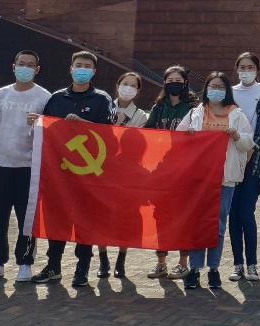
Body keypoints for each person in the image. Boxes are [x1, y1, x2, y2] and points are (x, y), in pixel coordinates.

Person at [31, 51, 114, 288]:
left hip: (88, 173)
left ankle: (82, 269)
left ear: (94, 72)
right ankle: (53, 266)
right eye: (78, 65)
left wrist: (84, 125)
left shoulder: (102, 99)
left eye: (87, 66)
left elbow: (111, 135)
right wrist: (36, 122)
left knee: (85, 220)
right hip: (59, 171)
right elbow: (46, 131)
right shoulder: (56, 98)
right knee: (57, 217)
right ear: (71, 68)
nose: (82, 69)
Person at [0, 50, 51, 283]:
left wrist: (39, 122)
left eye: (30, 65)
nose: (25, 68)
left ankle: (25, 262)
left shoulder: (44, 97)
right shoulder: (2, 94)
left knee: (26, 217)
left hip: (28, 166)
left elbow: (51, 130)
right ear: (13, 66)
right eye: (21, 64)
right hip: (0, 163)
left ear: (37, 70)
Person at [182, 71, 253, 290]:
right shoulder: (195, 113)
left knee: (218, 224)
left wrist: (236, 136)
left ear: (227, 91)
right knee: (197, 224)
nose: (216, 91)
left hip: (224, 178)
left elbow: (248, 144)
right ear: (206, 90)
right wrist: (189, 136)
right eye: (212, 86)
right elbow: (178, 138)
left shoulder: (237, 114)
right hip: (198, 178)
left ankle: (213, 268)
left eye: (221, 87)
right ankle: (194, 269)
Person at [228, 52, 260, 282]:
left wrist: (250, 151)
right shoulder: (229, 93)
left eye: (250, 67)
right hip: (230, 161)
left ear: (257, 70)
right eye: (242, 67)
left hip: (254, 161)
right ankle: (237, 264)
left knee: (246, 213)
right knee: (233, 214)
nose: (246, 71)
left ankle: (252, 265)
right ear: (236, 69)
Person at [145, 65, 196, 280]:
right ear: (164, 83)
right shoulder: (158, 108)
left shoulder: (193, 108)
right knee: (160, 216)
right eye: (170, 80)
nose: (174, 84)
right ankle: (161, 262)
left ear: (185, 83)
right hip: (162, 169)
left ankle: (183, 263)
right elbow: (147, 132)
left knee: (183, 216)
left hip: (184, 170)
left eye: (178, 80)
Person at [97, 71, 148, 279]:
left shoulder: (141, 115)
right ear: (118, 85)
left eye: (133, 85)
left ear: (138, 90)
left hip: (128, 169)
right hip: (103, 166)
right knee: (102, 215)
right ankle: (103, 260)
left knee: (127, 217)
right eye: (125, 83)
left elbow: (141, 140)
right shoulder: (104, 105)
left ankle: (121, 260)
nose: (128, 88)